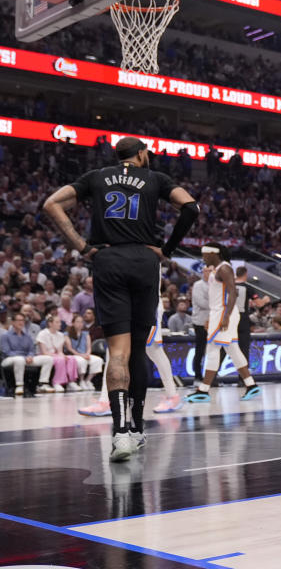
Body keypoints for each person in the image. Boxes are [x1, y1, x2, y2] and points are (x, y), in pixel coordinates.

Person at [43, 136, 199, 462]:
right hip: (144, 261)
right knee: (138, 350)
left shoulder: (97, 176)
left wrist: (82, 246)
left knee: (118, 352)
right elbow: (190, 207)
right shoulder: (155, 179)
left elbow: (51, 204)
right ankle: (138, 428)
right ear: (141, 154)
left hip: (108, 261)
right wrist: (167, 251)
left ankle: (121, 434)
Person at [185, 243, 261, 403]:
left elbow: (233, 292)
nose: (203, 258)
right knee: (233, 350)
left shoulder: (224, 269)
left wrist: (225, 316)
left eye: (205, 255)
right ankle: (251, 385)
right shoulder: (218, 268)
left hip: (223, 313)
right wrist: (211, 317)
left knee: (212, 349)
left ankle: (203, 390)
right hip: (219, 312)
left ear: (214, 254)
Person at [1, 312, 54, 395]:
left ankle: (43, 384)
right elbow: (7, 352)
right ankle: (19, 385)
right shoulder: (5, 335)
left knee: (48, 359)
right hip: (8, 359)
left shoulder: (27, 336)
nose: (21, 322)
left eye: (22, 320)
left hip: (26, 358)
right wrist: (24, 357)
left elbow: (31, 350)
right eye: (18, 320)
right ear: (13, 322)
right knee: (19, 360)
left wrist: (30, 356)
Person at [36, 313, 79, 392]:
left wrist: (62, 355)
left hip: (56, 355)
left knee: (71, 358)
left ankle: (71, 382)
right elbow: (44, 352)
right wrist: (59, 356)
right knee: (60, 359)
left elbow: (60, 351)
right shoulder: (42, 334)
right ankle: (57, 382)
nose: (60, 324)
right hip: (45, 355)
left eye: (60, 322)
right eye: (57, 322)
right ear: (50, 323)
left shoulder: (60, 335)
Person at [65, 313, 104, 391]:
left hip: (85, 354)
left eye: (81, 322)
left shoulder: (86, 334)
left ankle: (88, 380)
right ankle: (81, 380)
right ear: (73, 323)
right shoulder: (67, 334)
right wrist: (81, 355)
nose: (80, 324)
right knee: (82, 361)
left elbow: (89, 347)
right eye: (78, 322)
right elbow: (70, 348)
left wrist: (87, 354)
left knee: (98, 360)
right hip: (74, 355)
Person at [191, 267, 211, 384]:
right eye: (207, 271)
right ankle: (197, 377)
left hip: (212, 321)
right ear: (203, 272)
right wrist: (215, 303)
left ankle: (211, 377)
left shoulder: (215, 284)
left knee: (213, 350)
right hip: (200, 322)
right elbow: (202, 303)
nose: (209, 273)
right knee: (200, 350)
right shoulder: (198, 285)